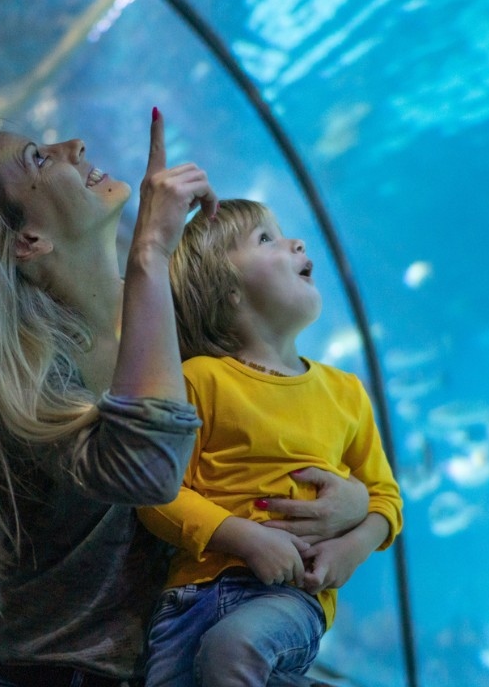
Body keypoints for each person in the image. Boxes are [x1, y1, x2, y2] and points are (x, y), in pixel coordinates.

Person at [0, 113, 368, 687]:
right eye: (39, 159)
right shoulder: (30, 376)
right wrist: (151, 252)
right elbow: (150, 472)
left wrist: (357, 505)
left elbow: (267, 435)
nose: (75, 144)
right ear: (25, 239)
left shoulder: (167, 320)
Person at [137, 198, 404, 686]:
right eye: (266, 238)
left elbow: (385, 497)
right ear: (228, 290)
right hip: (188, 602)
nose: (296, 242)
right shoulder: (199, 379)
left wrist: (352, 549)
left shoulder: (345, 392)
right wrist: (244, 537)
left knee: (234, 646)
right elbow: (157, 494)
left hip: (289, 598)